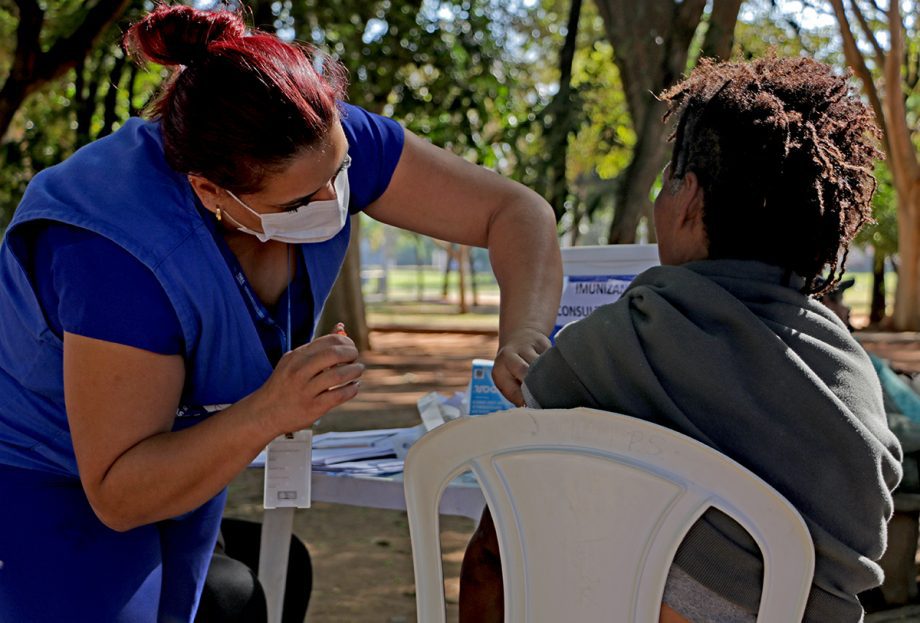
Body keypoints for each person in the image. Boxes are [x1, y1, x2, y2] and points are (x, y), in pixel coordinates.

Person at [0, 5, 561, 622]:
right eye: (300, 202)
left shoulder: (315, 142)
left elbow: (516, 213)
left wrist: (525, 336)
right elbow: (119, 491)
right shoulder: (117, 251)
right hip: (43, 469)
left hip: (180, 453)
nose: (334, 203)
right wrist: (272, 408)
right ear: (210, 191)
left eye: (341, 174)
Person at [459, 56, 903, 622]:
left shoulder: (617, 344)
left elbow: (493, 558)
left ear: (690, 199)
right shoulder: (853, 379)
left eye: (668, 181)